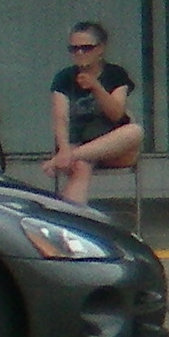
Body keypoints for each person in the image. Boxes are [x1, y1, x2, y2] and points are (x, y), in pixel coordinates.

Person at [47, 21, 141, 205]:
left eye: (86, 48)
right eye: (74, 49)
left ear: (101, 49)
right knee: (81, 165)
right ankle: (72, 217)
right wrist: (64, 148)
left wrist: (96, 87)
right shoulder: (64, 78)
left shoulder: (115, 74)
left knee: (135, 131)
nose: (80, 53)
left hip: (113, 147)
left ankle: (70, 157)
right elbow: (60, 117)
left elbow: (116, 114)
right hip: (78, 143)